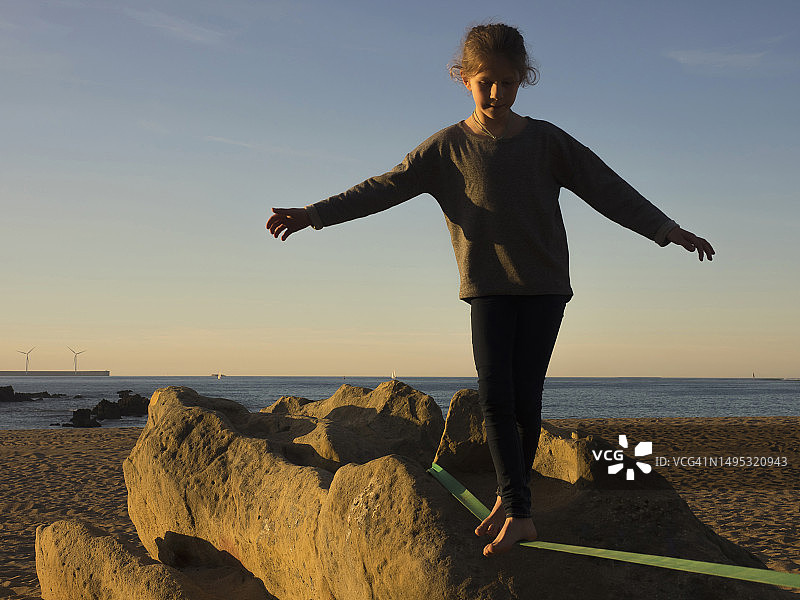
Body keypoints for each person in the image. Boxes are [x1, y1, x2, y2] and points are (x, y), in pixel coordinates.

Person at [266, 23, 714, 557]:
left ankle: (513, 505)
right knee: (495, 398)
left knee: (526, 401)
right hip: (487, 288)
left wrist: (666, 229)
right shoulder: (447, 148)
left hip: (546, 287)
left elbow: (607, 187)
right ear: (464, 80)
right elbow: (383, 188)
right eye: (486, 83)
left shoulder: (548, 141)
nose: (498, 93)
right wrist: (315, 214)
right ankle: (517, 506)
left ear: (523, 79)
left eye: (508, 82)